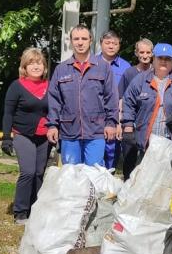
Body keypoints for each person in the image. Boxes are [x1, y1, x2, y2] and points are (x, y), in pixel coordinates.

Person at [46, 25, 119, 166]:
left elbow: (111, 98)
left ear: (90, 41)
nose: (80, 42)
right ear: (71, 41)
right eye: (76, 39)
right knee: (71, 175)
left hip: (96, 131)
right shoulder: (61, 69)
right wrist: (53, 125)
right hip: (69, 132)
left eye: (84, 38)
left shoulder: (103, 68)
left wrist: (111, 123)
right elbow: (54, 101)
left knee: (94, 174)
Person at [121, 43, 172, 169]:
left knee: (171, 183)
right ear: (154, 59)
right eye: (160, 58)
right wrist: (128, 127)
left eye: (167, 59)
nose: (163, 62)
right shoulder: (140, 80)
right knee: (148, 183)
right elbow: (128, 103)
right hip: (147, 142)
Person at [1, 48, 52, 225]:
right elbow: (8, 113)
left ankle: (35, 209)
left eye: (39, 63)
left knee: (39, 174)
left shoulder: (49, 85)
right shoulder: (17, 86)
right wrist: (6, 137)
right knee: (28, 172)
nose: (36, 66)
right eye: (31, 63)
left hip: (44, 136)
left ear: (44, 67)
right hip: (23, 134)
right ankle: (20, 212)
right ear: (25, 66)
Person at [118, 38, 153, 179]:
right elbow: (122, 99)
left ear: (152, 53)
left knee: (149, 163)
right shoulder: (129, 73)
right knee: (129, 160)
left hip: (150, 123)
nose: (145, 55)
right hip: (131, 124)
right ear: (136, 53)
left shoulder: (158, 72)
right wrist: (120, 122)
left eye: (148, 52)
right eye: (142, 52)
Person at [99, 30, 131, 169]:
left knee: (112, 154)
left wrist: (120, 121)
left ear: (119, 46)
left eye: (114, 43)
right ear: (101, 44)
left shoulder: (126, 67)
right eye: (107, 43)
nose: (111, 46)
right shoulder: (91, 63)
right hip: (94, 118)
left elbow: (127, 97)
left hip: (115, 118)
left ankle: (108, 188)